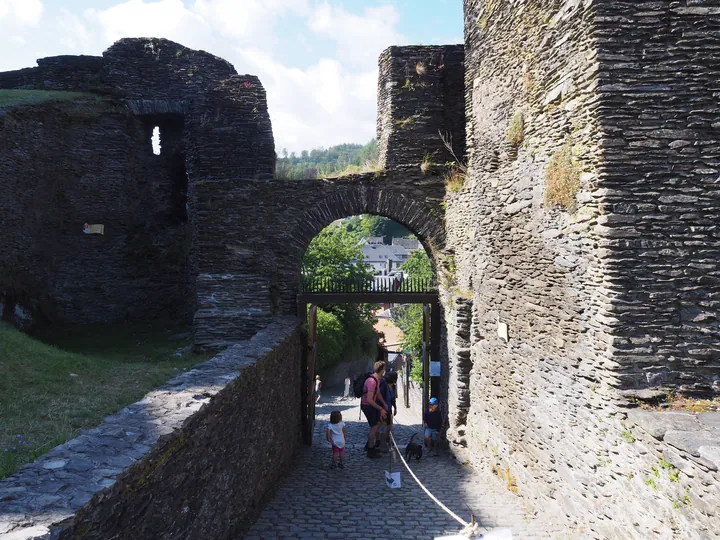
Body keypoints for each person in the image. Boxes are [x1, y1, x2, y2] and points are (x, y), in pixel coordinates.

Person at [361, 361, 388, 458]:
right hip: (367, 405)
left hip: (372, 404)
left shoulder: (377, 379)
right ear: (382, 370)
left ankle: (369, 445)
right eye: (384, 368)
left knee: (379, 422)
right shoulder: (372, 381)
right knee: (374, 426)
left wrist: (384, 404)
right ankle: (370, 450)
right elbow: (369, 399)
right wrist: (381, 409)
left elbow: (378, 394)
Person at [378, 372, 398, 451]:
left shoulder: (393, 387)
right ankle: (381, 444)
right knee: (382, 427)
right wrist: (381, 410)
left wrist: (395, 408)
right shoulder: (383, 387)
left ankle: (385, 440)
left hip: (388, 409)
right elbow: (379, 399)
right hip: (383, 409)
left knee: (389, 426)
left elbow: (393, 399)